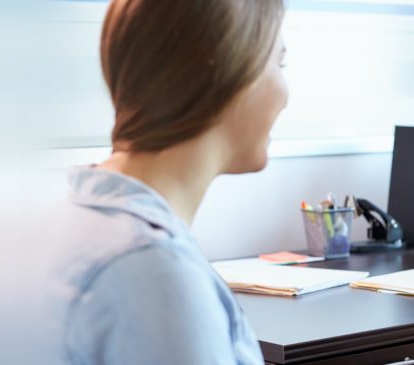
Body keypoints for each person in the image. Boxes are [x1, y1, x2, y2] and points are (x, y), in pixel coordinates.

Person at [46, 0, 287, 364]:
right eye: (279, 63)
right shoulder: (153, 274)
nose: (286, 95)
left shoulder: (77, 220)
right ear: (226, 71)